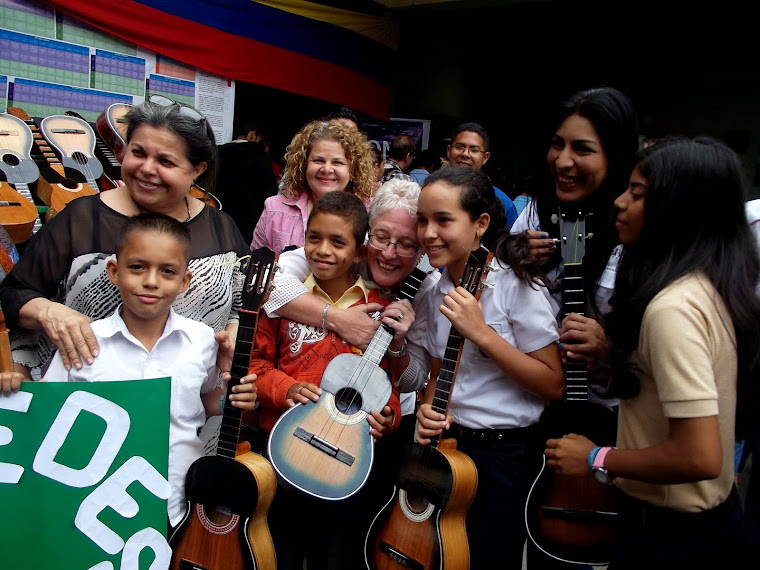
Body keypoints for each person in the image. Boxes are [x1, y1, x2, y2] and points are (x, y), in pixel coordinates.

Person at [545, 136, 760, 569]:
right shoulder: (707, 286)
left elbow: (697, 455)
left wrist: (594, 458)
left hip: (671, 535)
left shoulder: (672, 309)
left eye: (638, 194)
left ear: (678, 210)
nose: (620, 203)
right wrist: (612, 371)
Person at [0, 99, 249, 387]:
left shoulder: (221, 227)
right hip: (91, 405)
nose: (146, 168)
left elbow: (243, 305)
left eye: (165, 161)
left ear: (197, 169)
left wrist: (233, 332)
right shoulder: (82, 220)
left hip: (191, 412)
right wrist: (47, 311)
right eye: (138, 153)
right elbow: (14, 293)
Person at [35, 213, 257, 529]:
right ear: (114, 271)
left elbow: (205, 399)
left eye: (167, 271)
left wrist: (231, 397)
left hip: (178, 506)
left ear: (183, 282)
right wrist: (14, 391)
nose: (151, 281)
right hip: (95, 508)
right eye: (137, 267)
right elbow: (44, 410)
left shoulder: (202, 341)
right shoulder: (83, 343)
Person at [510, 85, 639, 570]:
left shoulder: (637, 227)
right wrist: (513, 258)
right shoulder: (538, 211)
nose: (563, 161)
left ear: (618, 156)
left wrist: (610, 351)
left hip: (616, 426)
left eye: (582, 149)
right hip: (543, 416)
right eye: (557, 144)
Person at [413, 166, 564, 569]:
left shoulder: (515, 285)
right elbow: (437, 369)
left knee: (489, 556)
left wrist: (483, 334)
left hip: (504, 455)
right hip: (447, 448)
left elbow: (552, 383)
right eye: (422, 220)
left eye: (444, 220)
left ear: (480, 224)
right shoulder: (432, 288)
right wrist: (428, 411)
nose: (428, 233)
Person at [247, 191, 401, 569]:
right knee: (276, 550)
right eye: (314, 238)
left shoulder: (380, 310)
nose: (322, 250)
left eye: (338, 242)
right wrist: (286, 389)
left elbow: (389, 385)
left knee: (335, 554)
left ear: (360, 252)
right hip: (284, 452)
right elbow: (255, 363)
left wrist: (388, 416)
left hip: (346, 463)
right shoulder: (286, 301)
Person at [250, 118, 375, 253]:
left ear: (353, 169)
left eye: (337, 162)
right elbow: (254, 264)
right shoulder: (274, 209)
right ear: (304, 165)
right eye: (318, 160)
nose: (326, 169)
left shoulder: (371, 215)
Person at [215, 121, 279, 244]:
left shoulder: (217, 154)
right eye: (260, 138)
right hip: (249, 227)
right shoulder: (260, 158)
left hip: (218, 222)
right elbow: (270, 194)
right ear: (252, 135)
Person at [446, 122, 519, 229]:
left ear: (485, 157)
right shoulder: (430, 192)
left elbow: (510, 244)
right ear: (449, 150)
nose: (465, 154)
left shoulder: (502, 203)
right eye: (460, 147)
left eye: (474, 150)